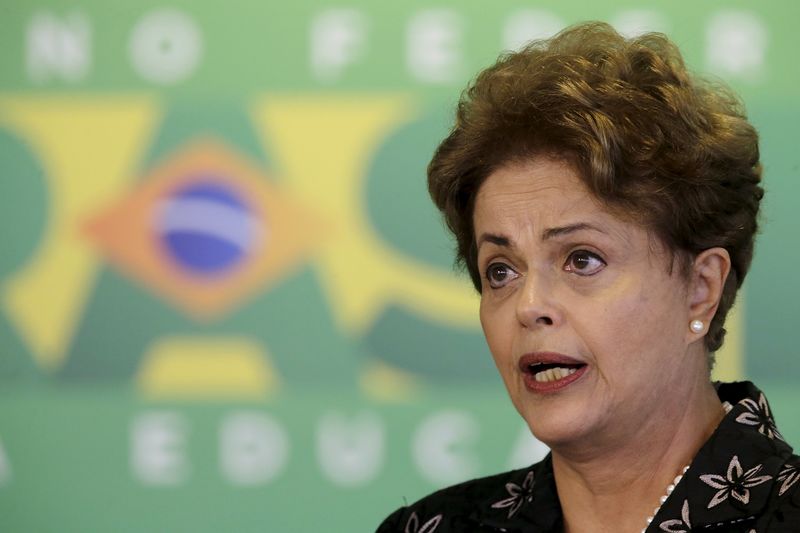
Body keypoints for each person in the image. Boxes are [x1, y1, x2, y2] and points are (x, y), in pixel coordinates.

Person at [376, 21, 800, 533]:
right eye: (501, 271)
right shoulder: (432, 527)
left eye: (582, 259)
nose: (529, 305)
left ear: (700, 289)